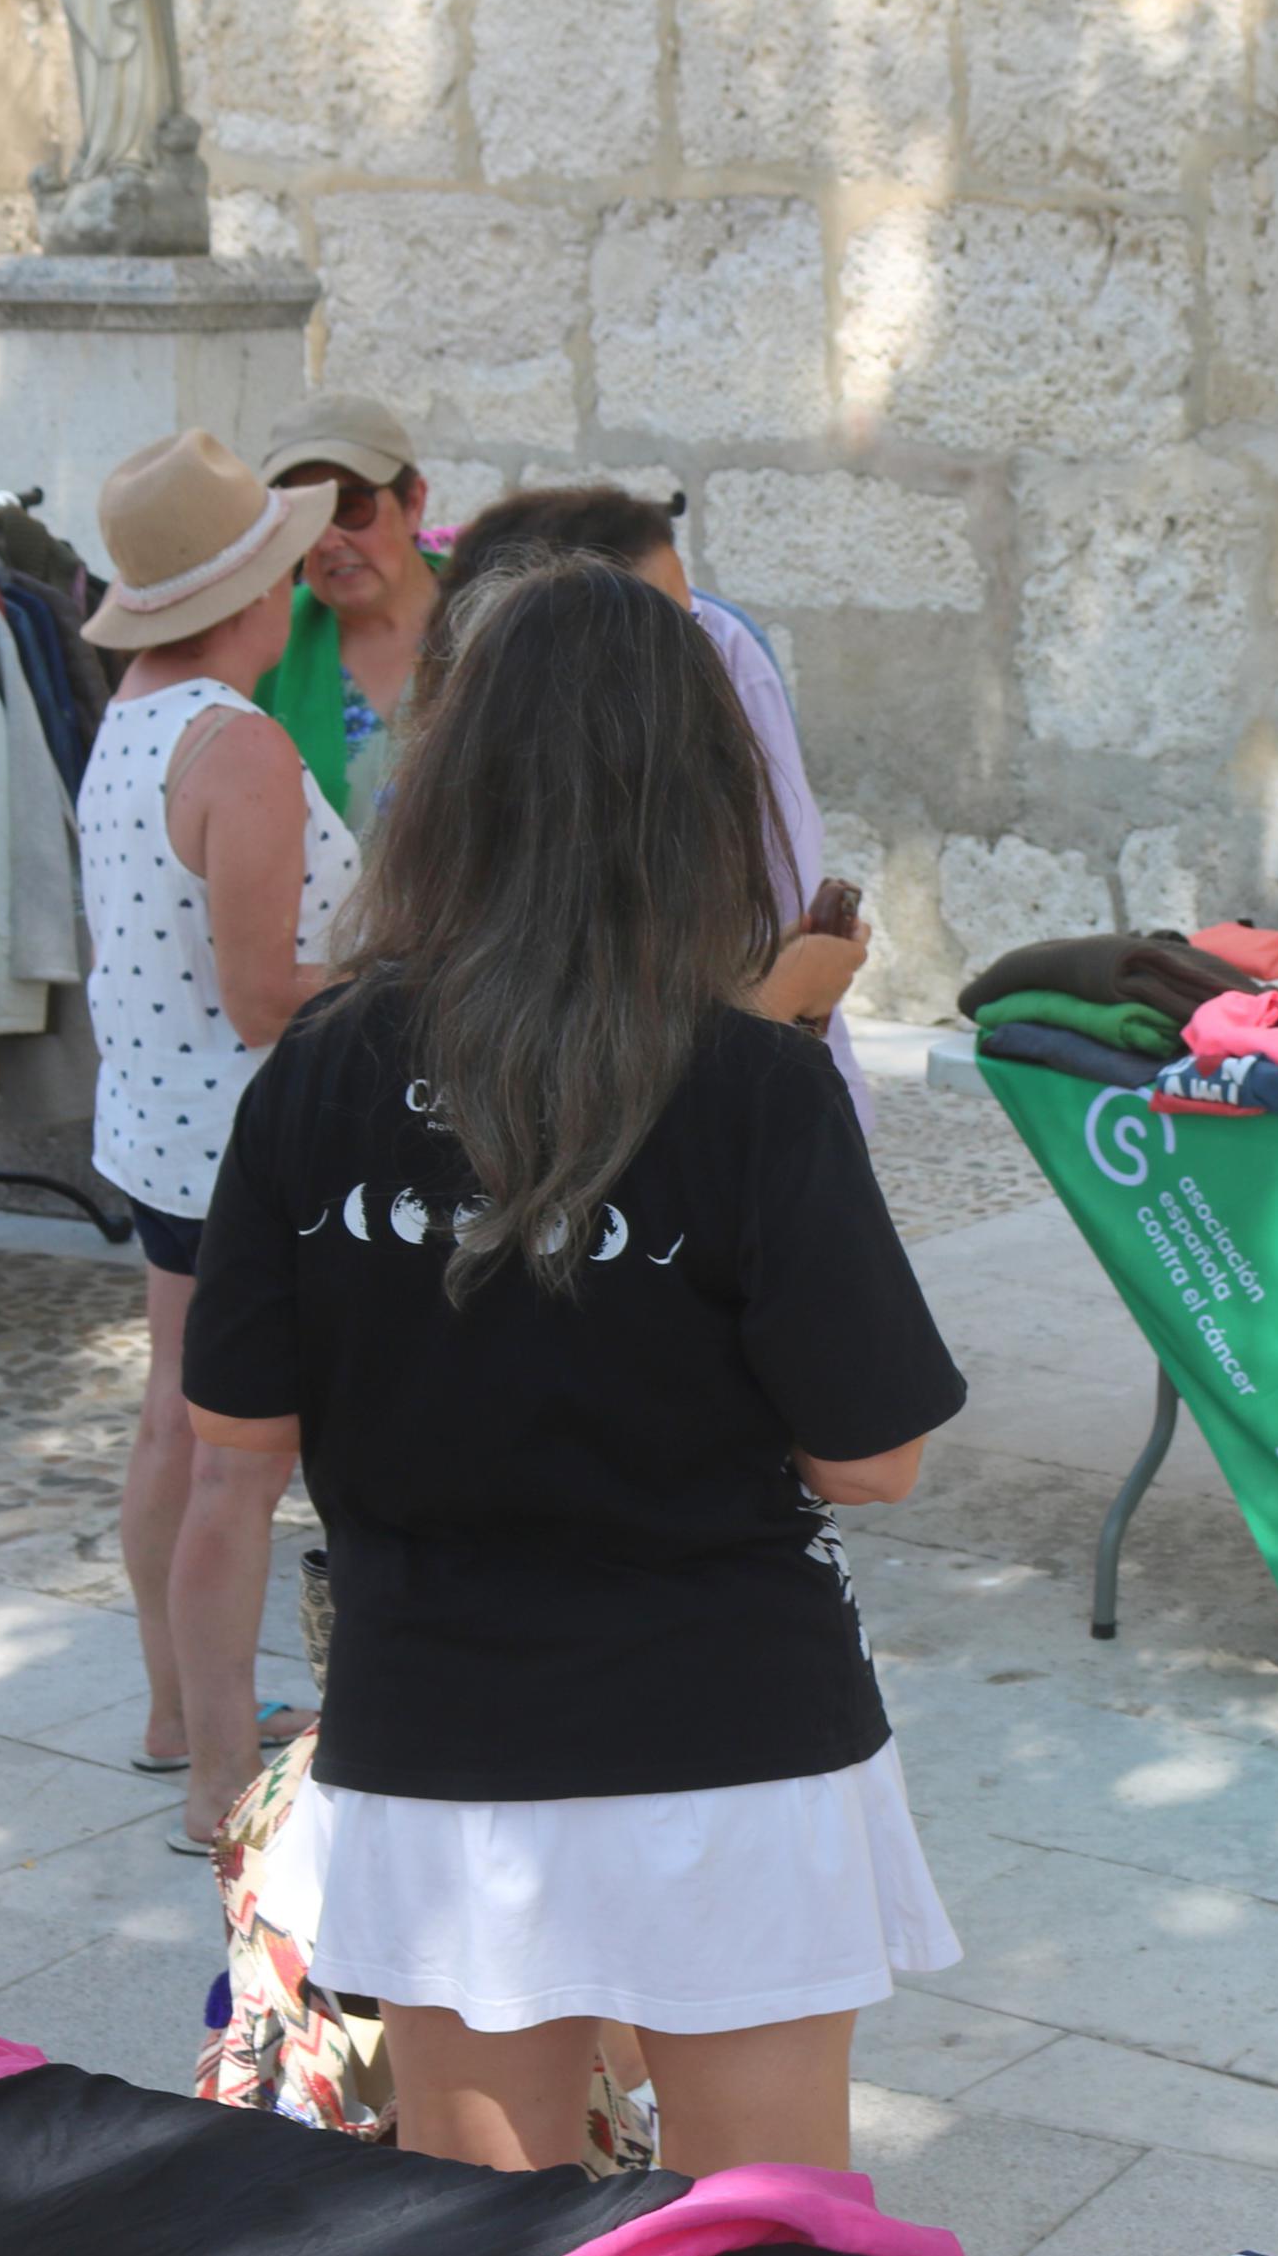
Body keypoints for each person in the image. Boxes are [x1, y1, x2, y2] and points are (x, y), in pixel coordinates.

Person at [169, 552, 964, 2177]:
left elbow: (230, 1446)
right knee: (765, 2255)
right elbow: (870, 1459)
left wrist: (211, 1757)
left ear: (448, 787)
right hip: (728, 1728)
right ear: (698, 807)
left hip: (437, 1729)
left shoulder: (317, 1074)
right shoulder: (753, 1086)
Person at [74, 430, 358, 1847]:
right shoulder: (234, 744)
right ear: (250, 591)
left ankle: (179, 1716)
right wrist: (413, 968)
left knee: (174, 1430)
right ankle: (211, 1784)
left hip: (162, 1133)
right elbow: (267, 998)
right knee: (238, 1459)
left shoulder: (132, 713)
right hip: (255, 1148)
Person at [437, 483, 871, 1129]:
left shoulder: (722, 663)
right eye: (662, 628)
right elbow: (625, 1087)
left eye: (691, 621)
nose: (696, 653)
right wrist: (789, 994)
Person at [248, 392, 441, 828]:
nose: (328, 540)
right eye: (303, 515)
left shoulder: (496, 623)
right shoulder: (262, 644)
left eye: (350, 507)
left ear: (413, 503)